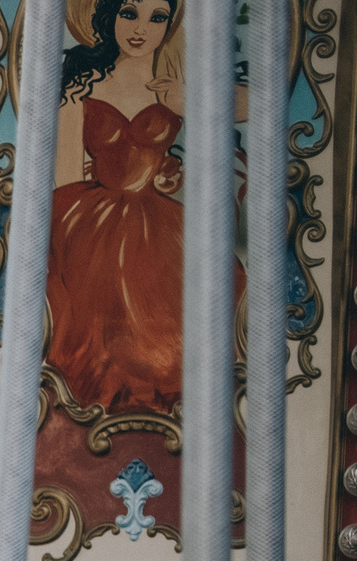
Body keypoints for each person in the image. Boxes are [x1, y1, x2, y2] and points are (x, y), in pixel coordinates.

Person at [46, 0, 242, 417]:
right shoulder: (81, 84)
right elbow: (64, 179)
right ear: (109, 16)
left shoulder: (174, 84)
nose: (141, 29)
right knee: (110, 288)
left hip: (160, 216)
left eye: (157, 18)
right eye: (129, 13)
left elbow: (260, 105)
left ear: (170, 25)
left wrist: (188, 103)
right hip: (89, 215)